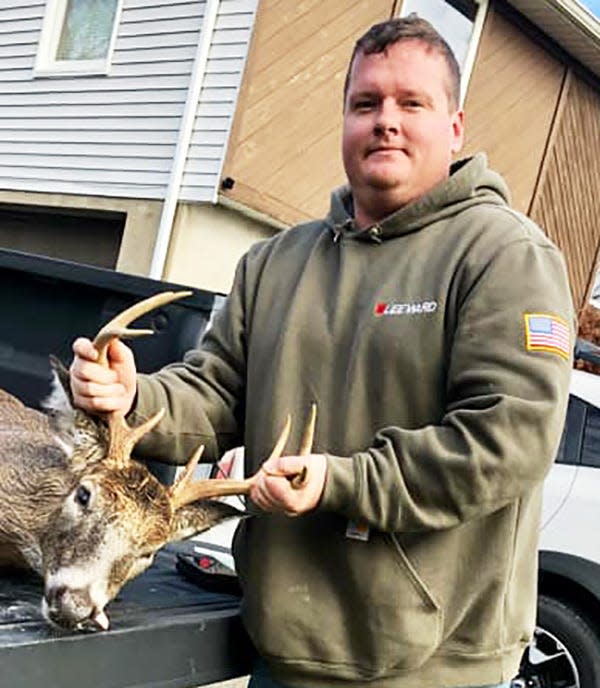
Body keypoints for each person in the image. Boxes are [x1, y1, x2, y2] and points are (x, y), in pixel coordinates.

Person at [70, 15, 574, 688]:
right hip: (282, 649)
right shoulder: (276, 262)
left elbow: (507, 439)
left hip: (433, 666)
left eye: (411, 103)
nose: (385, 121)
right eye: (365, 103)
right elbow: (218, 391)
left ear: (455, 126)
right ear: (343, 121)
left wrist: (344, 481)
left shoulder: (504, 256)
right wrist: (136, 397)